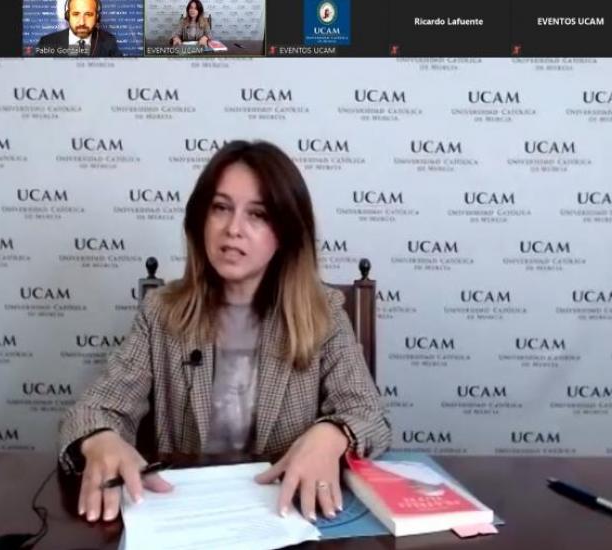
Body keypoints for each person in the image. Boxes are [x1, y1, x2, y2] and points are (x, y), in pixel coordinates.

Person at [58, 140, 391, 523]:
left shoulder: (324, 313)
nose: (233, 229)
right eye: (220, 208)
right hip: (186, 515)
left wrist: (332, 435)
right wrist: (99, 439)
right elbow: (95, 409)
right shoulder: (161, 312)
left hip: (285, 514)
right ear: (200, 220)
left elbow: (369, 415)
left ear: (285, 232)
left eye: (258, 214)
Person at [36, 0, 122, 57]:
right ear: (67, 16)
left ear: (97, 17)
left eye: (88, 14)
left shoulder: (109, 42)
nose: (82, 23)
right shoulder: (46, 43)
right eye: (76, 14)